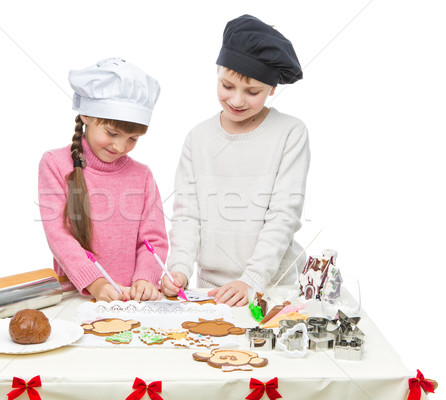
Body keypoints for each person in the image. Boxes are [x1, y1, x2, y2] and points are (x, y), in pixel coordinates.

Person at [162, 15, 310, 307]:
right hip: (212, 292)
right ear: (217, 72)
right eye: (227, 86)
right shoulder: (198, 138)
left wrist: (252, 280)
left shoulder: (290, 133)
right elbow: (187, 215)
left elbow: (283, 214)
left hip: (272, 287)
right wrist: (179, 267)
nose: (237, 100)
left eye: (252, 91)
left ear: (272, 88)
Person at [38, 57, 168, 302]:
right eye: (112, 133)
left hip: (131, 300)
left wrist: (146, 278)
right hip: (77, 297)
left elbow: (153, 239)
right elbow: (58, 235)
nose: (120, 146)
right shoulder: (54, 164)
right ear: (86, 115)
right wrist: (95, 282)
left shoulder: (142, 175)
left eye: (132, 139)